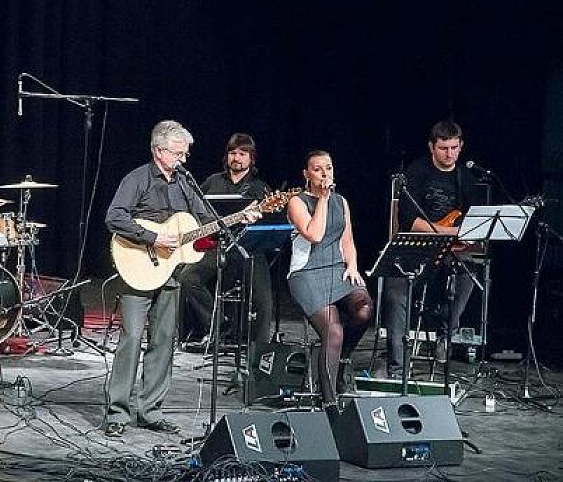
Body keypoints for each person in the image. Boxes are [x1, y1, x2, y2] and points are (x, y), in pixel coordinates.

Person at [103, 120, 259, 438]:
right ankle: (117, 413)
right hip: (137, 267)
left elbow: (208, 223)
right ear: (159, 151)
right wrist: (153, 238)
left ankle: (150, 411)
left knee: (164, 342)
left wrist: (241, 219)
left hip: (170, 272)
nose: (184, 159)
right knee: (132, 339)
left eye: (185, 153)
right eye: (178, 153)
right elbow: (114, 217)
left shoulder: (186, 183)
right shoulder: (137, 179)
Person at [384, 120, 482, 377]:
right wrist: (448, 231)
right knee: (396, 291)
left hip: (451, 250)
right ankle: (397, 366)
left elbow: (474, 220)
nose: (449, 154)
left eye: (454, 148)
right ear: (431, 147)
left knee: (469, 276)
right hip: (419, 245)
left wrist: (464, 236)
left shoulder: (465, 178)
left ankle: (445, 334)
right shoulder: (416, 172)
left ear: (461, 147)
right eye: (443, 148)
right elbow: (409, 220)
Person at [286, 150, 372, 415]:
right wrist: (322, 199)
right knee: (333, 331)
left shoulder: (341, 201)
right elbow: (314, 234)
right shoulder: (297, 202)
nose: (325, 174)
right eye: (318, 169)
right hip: (306, 273)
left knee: (364, 308)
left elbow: (347, 240)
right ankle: (330, 402)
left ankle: (341, 358)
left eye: (329, 168)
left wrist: (352, 265)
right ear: (307, 174)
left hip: (337, 269)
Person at [179, 133, 274, 347]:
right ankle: (219, 324)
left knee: (263, 299)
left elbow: (268, 223)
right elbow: (193, 209)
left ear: (251, 158)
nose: (236, 158)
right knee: (188, 277)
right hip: (216, 246)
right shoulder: (212, 182)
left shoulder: (260, 188)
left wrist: (256, 220)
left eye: (242, 153)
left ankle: (259, 349)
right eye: (232, 153)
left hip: (248, 248)